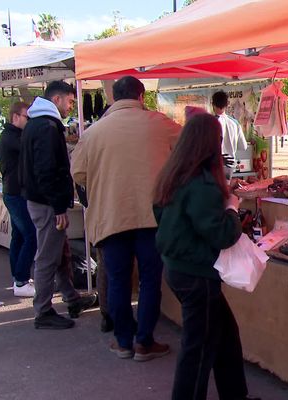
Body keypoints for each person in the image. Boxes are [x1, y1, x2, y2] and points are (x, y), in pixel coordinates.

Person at [71, 76, 181, 360]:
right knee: (150, 280)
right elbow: (187, 152)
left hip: (111, 217)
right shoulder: (160, 123)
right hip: (152, 217)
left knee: (118, 281)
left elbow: (78, 174)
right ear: (141, 97)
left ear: (113, 98)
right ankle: (144, 341)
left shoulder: (93, 133)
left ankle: (123, 341)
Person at [153, 113, 259, 400]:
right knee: (198, 348)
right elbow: (222, 234)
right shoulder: (200, 182)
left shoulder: (174, 174)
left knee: (225, 335)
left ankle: (235, 394)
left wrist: (223, 198)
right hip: (195, 274)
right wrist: (232, 208)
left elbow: (164, 214)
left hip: (179, 269)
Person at [20, 81, 96, 329]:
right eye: (70, 101)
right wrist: (59, 206)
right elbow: (46, 170)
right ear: (57, 99)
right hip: (47, 204)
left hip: (43, 200)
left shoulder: (38, 124)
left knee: (59, 254)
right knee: (47, 257)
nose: (71, 106)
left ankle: (72, 299)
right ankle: (43, 311)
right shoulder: (46, 126)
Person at [0, 102, 37, 297]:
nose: (29, 122)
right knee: (31, 235)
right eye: (27, 117)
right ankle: (20, 280)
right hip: (16, 193)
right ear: (16, 117)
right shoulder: (11, 137)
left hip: (14, 192)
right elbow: (30, 148)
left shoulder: (12, 135)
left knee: (20, 237)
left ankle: (18, 277)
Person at [212, 91, 248, 170]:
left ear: (213, 104)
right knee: (227, 183)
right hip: (230, 166)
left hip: (215, 166)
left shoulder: (209, 123)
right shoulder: (235, 123)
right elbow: (243, 146)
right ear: (227, 104)